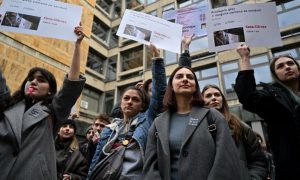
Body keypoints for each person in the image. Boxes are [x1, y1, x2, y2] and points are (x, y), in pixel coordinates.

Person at [0, 26, 86, 180]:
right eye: (30, 79)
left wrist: (77, 45)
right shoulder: (7, 103)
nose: (33, 82)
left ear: (50, 91)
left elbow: (71, 86)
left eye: (41, 80)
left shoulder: (53, 111)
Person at [142, 66, 241, 180]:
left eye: (190, 77)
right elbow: (150, 167)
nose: (185, 79)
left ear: (195, 86)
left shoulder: (213, 116)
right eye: (179, 77)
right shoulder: (158, 123)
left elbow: (226, 160)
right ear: (171, 86)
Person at [87, 44, 166, 180]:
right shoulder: (109, 129)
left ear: (142, 106)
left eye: (135, 99)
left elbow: (159, 93)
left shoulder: (147, 122)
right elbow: (95, 162)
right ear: (121, 102)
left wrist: (156, 58)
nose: (129, 101)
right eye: (126, 98)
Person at [234, 43, 300, 179]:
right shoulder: (273, 96)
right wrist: (245, 58)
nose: (287, 67)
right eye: (280, 66)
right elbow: (247, 96)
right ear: (275, 74)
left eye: (290, 63)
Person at [202, 84, 268, 179]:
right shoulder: (196, 128)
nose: (213, 98)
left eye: (217, 95)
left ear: (223, 100)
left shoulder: (240, 126)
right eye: (208, 96)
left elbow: (257, 161)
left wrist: (253, 178)